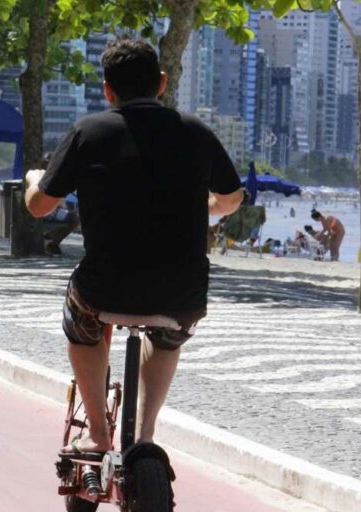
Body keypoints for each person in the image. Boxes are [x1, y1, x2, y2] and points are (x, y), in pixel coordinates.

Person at [25, 38, 242, 463]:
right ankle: (144, 435)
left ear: (108, 90)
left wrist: (35, 178)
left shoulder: (88, 131)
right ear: (162, 83)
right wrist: (208, 205)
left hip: (103, 291)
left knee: (82, 328)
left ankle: (99, 435)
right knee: (165, 339)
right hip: (183, 297)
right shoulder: (195, 131)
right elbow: (231, 198)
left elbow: (39, 206)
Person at [39, 152, 81, 255]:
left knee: (75, 215)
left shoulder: (44, 174)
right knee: (75, 218)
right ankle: (52, 241)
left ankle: (51, 240)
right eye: (47, 163)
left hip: (48, 208)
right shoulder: (45, 176)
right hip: (46, 209)